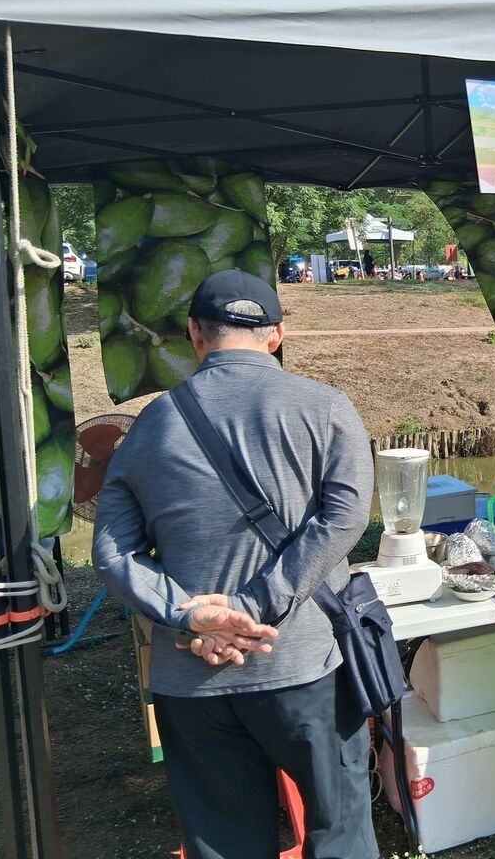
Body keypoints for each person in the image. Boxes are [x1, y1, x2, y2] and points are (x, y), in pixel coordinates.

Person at [93, 270, 378, 859]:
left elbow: (113, 551)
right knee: (339, 830)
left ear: (195, 333)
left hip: (190, 677)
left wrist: (192, 615)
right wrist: (251, 608)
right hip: (301, 663)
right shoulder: (326, 407)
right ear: (276, 334)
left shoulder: (150, 426)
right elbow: (345, 518)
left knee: (223, 841)